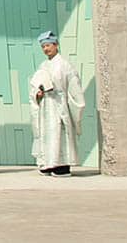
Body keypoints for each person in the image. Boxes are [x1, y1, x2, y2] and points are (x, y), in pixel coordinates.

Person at [29, 30, 85, 176]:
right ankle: (48, 162)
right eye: (43, 47)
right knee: (46, 133)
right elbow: (36, 85)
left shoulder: (65, 65)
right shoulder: (43, 66)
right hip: (46, 104)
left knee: (59, 132)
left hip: (59, 103)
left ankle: (62, 165)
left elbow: (74, 88)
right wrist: (38, 93)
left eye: (48, 45)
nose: (46, 49)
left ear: (56, 45)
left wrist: (74, 104)